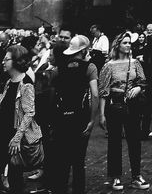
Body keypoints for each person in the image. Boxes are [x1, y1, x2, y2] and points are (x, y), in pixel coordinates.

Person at [97, 32, 149, 191]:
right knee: (114, 142)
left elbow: (144, 81)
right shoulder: (108, 66)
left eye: (129, 43)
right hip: (115, 105)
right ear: (118, 45)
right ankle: (115, 176)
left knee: (134, 141)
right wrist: (101, 114)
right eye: (125, 42)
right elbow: (103, 91)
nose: (128, 45)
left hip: (132, 105)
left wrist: (139, 88)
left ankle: (136, 176)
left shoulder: (135, 63)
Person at [0, 44, 41, 194]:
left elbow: (29, 113)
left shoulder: (26, 84)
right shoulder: (10, 81)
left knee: (12, 174)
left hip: (14, 137)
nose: (3, 61)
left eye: (6, 59)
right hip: (4, 134)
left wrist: (17, 138)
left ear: (16, 61)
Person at [47, 35, 98, 194]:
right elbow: (95, 94)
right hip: (80, 117)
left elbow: (51, 96)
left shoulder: (57, 69)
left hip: (61, 118)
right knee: (78, 160)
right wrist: (92, 120)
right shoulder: (90, 67)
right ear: (83, 51)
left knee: (61, 159)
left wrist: (52, 119)